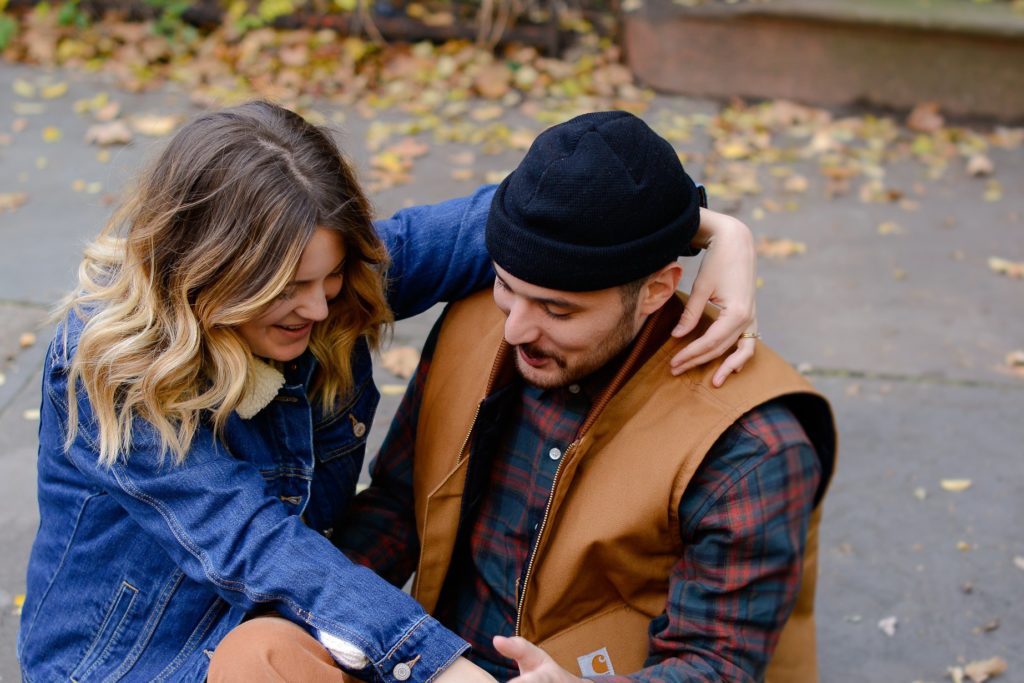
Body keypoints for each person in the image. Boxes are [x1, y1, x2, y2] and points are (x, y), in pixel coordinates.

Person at [17, 102, 760, 682]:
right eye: (284, 289)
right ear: (205, 272)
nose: (317, 308)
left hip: (293, 625)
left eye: (328, 276)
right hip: (140, 662)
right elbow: (254, 543)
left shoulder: (338, 288)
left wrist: (716, 230)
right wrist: (444, 663)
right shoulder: (112, 366)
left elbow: (555, 216)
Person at [210, 111, 836, 683]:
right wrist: (318, 615)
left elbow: (718, 666)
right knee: (261, 653)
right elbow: (401, 505)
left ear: (653, 291)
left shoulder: (752, 444)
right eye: (510, 288)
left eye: (559, 310)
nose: (515, 330)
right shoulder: (480, 322)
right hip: (434, 664)